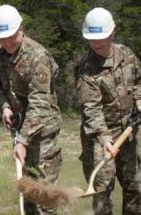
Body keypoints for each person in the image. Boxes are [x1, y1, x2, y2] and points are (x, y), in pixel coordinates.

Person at [0, 4, 62, 214]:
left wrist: (23, 141)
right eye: (2, 39)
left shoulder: (38, 57)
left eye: (12, 36)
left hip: (43, 132)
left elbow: (40, 104)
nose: (8, 43)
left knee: (44, 195)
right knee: (27, 190)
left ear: (22, 29)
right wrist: (4, 107)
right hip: (19, 126)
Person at [75, 7, 141, 214]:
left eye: (101, 40)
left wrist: (139, 100)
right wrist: (104, 140)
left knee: (135, 187)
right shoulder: (85, 69)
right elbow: (91, 110)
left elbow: (138, 82)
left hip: (128, 134)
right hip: (99, 140)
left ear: (112, 33)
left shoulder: (127, 54)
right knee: (103, 195)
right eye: (93, 41)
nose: (97, 45)